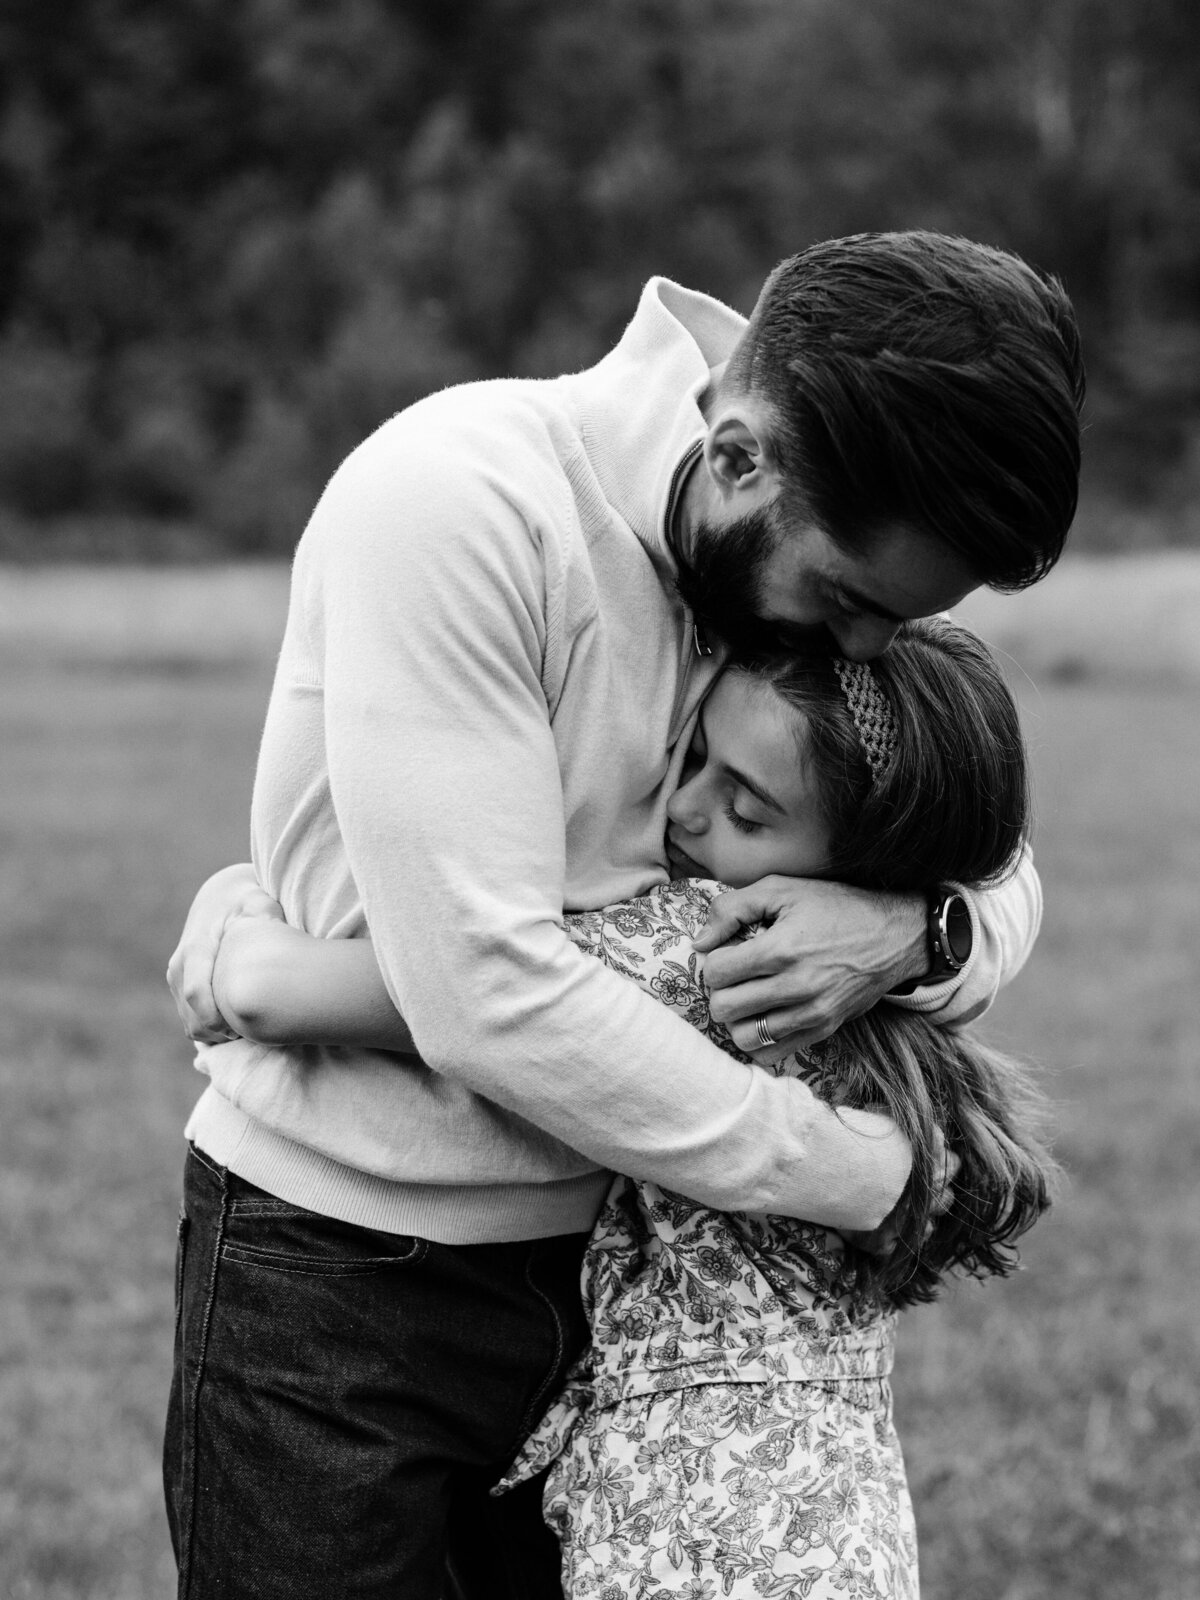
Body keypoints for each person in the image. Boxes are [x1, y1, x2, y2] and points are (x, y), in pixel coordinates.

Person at [163, 232, 1083, 1599]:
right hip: (344, 1296)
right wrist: (868, 1177)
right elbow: (489, 994)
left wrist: (918, 933)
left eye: (897, 622)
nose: (863, 652)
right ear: (738, 458)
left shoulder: (827, 561)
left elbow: (980, 843)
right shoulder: (464, 503)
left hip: (624, 1308)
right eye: (850, 603)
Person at [186, 617, 1060, 1599]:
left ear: (861, 860)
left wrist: (234, 902)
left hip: (688, 1517)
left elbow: (281, 990)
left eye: (748, 807)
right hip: (837, 1510)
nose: (683, 810)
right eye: (696, 757)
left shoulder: (700, 952)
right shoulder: (890, 1004)